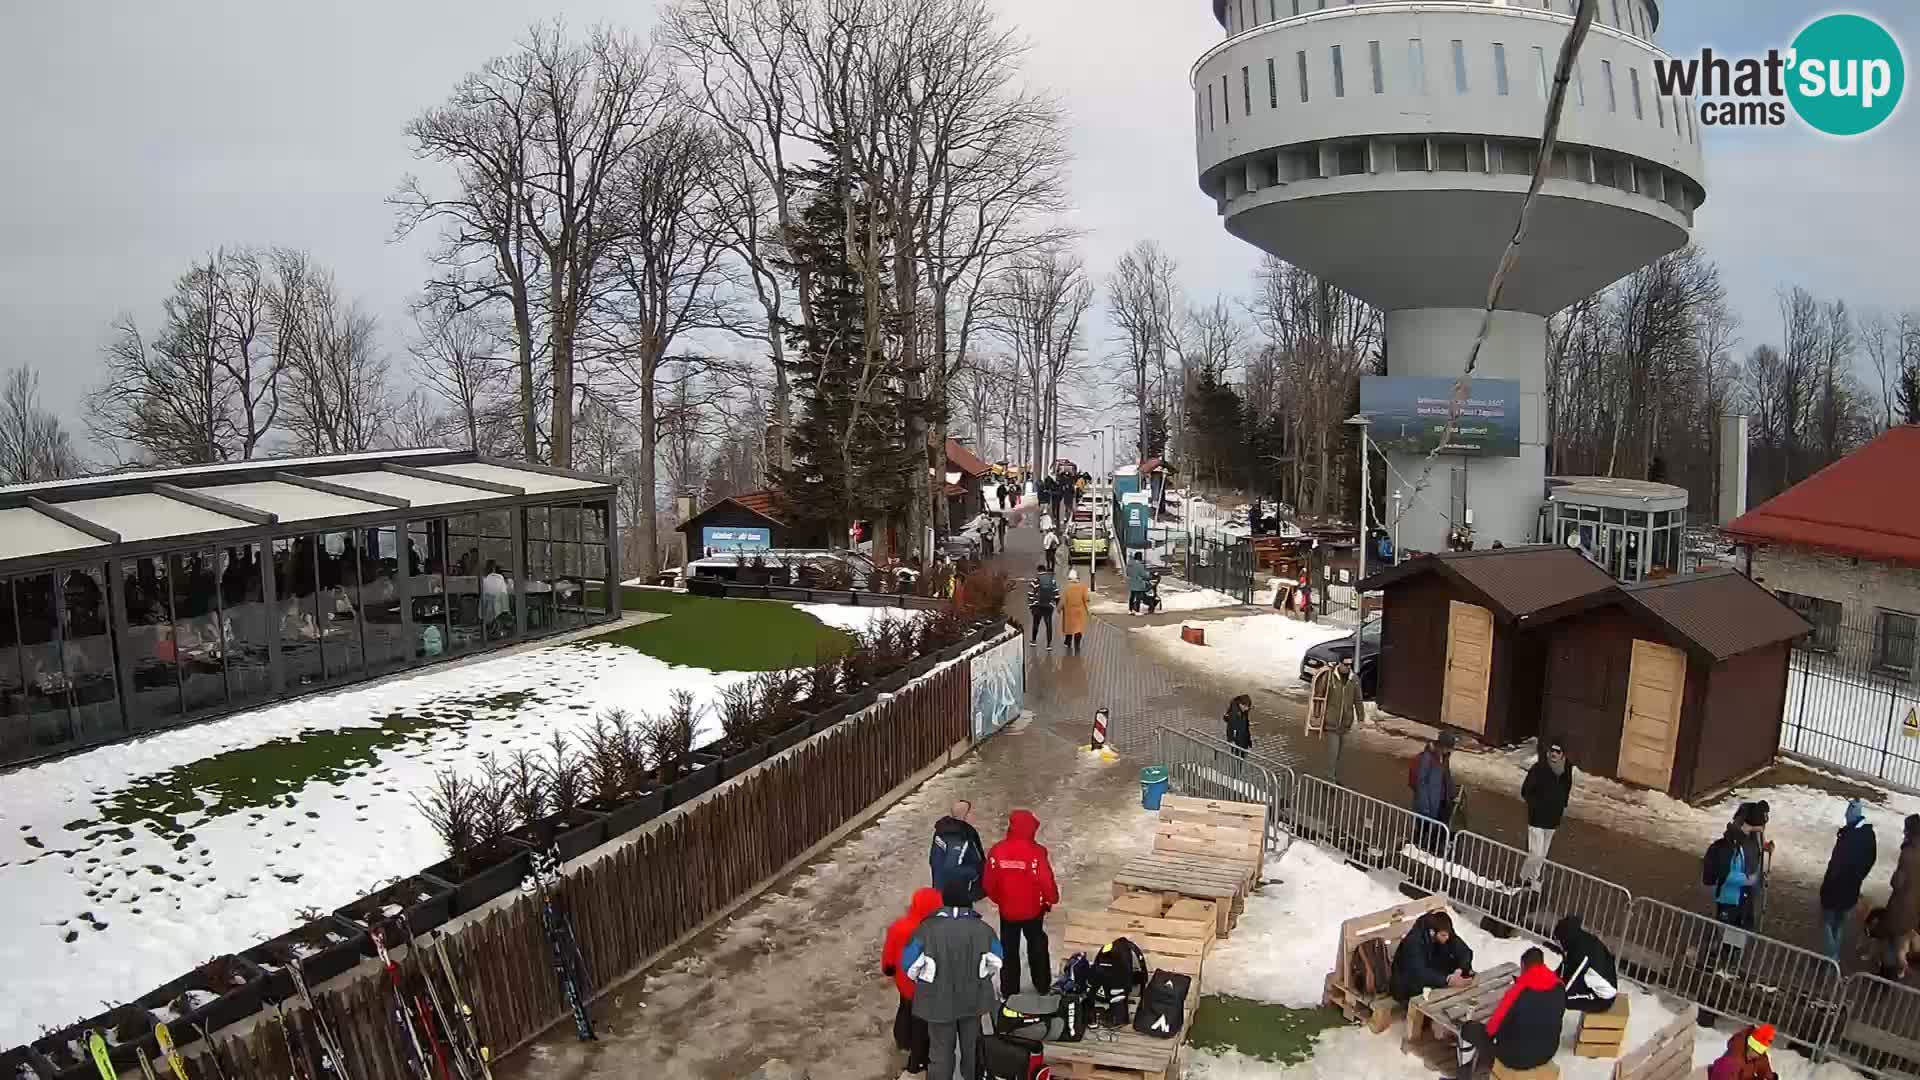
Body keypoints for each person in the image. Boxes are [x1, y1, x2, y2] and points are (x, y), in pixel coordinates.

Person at [902, 878, 1005, 1080]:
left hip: (937, 1003)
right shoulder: (983, 930)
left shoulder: (926, 930)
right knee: (971, 1048)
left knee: (940, 1054)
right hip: (973, 1001)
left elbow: (909, 966)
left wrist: (928, 980)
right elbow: (997, 961)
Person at [983, 810, 1060, 998]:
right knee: (1037, 944)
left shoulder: (997, 851)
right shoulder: (1037, 852)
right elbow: (1046, 880)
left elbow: (988, 883)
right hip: (1033, 910)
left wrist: (1000, 899)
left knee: (1008, 948)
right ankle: (1042, 984)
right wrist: (1052, 898)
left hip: (1008, 910)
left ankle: (1010, 989)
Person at [1455, 946, 1563, 1080]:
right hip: (1548, 1052)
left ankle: (1463, 1074)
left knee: (1468, 1029)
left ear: (1523, 966)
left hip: (1515, 1059)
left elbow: (1491, 1030)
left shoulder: (1519, 991)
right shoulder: (1559, 986)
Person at [881, 887, 943, 1074]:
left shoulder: (899, 927)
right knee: (921, 1025)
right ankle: (918, 1061)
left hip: (905, 984)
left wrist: (890, 970)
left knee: (905, 1009)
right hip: (926, 990)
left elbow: (889, 961)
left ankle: (902, 1040)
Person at [1818, 798, 1876, 965]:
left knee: (1827, 923)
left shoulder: (1849, 835)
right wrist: (1858, 877)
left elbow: (1836, 863)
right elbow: (1870, 860)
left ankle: (1831, 956)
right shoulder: (1868, 835)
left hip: (1836, 888)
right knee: (1839, 924)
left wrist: (1828, 883)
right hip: (1851, 889)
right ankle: (1832, 956)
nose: (1846, 815)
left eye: (1848, 812)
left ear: (1852, 813)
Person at [1520, 740, 1574, 888]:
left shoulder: (1566, 771)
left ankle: (1532, 881)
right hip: (1537, 819)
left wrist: (1562, 806)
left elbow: (1566, 791)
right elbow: (1525, 791)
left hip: (1552, 820)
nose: (1554, 755)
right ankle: (1526, 879)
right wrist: (1535, 806)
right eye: (1552, 751)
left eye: (1558, 752)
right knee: (1535, 853)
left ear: (1563, 755)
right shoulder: (1538, 769)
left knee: (1542, 855)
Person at [1389, 910, 1474, 1004]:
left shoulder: (1444, 930)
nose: (1447, 938)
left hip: (1432, 972)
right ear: (1432, 932)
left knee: (1466, 974)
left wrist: (1460, 970)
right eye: (1443, 935)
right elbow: (1419, 972)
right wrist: (1447, 980)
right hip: (1406, 983)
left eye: (1448, 935)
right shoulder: (1414, 941)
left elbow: (1465, 952)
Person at [1875, 814, 1920, 978]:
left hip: (1900, 906)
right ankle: (1898, 971)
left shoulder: (1908, 853)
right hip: (1914, 909)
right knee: (1901, 944)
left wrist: (1895, 877)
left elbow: (1897, 882)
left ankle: (1886, 975)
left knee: (1888, 939)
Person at [1551, 914, 1619, 1013]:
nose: (1556, 943)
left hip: (1603, 998)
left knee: (1561, 1000)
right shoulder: (1581, 939)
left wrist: (1549, 992)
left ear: (1564, 939)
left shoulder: (1581, 954)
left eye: (1557, 940)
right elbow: (1567, 967)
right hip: (1595, 979)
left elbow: (1569, 982)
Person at [1411, 733, 1459, 855]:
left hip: (1439, 801)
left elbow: (1446, 777)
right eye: (1449, 747)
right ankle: (1415, 851)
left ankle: (1432, 852)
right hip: (1428, 803)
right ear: (1442, 746)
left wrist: (1452, 793)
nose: (1451, 750)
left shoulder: (1444, 758)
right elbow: (1421, 782)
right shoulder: (1428, 757)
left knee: (1438, 829)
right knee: (1422, 829)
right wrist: (1425, 806)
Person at [1319, 655, 1364, 784]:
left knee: (1339, 754)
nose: (1348, 667)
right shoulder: (1330, 677)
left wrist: (1361, 718)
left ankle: (1332, 776)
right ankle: (1329, 781)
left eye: (1350, 664)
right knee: (1332, 753)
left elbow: (1358, 700)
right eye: (1346, 664)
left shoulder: (1354, 679)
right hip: (1332, 722)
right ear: (1339, 664)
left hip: (1345, 723)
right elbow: (1320, 692)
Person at [929, 800, 986, 902]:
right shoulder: (960, 838)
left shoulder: (942, 831)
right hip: (956, 893)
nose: (973, 814)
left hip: (940, 888)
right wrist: (975, 873)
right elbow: (952, 867)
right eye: (970, 812)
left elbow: (935, 860)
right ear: (965, 815)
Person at [1707, 1023, 1778, 1080]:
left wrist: (1772, 1077)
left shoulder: (1759, 1055)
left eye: (1759, 1053)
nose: (1756, 1056)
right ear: (1749, 1046)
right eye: (1753, 1050)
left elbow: (1764, 1067)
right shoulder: (1733, 1059)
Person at [1027, 563, 1059, 650]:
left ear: (1038, 571)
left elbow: (1030, 594)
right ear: (1045, 571)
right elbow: (1056, 594)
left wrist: (1031, 606)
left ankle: (1033, 641)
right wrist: (1055, 604)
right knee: (1048, 625)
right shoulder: (1052, 580)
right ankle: (1049, 645)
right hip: (1048, 606)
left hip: (1038, 606)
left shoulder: (1035, 580)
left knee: (1036, 623)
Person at [1060, 569, 1091, 655]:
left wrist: (1059, 609)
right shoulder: (1083, 587)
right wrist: (1088, 610)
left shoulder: (1067, 588)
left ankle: (1068, 644)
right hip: (1080, 612)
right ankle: (1077, 646)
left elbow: (1063, 601)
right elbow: (1086, 599)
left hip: (1069, 612)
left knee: (1069, 629)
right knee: (1078, 630)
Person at [1223, 694, 1253, 759]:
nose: (1247, 709)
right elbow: (1230, 728)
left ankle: (1239, 767)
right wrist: (1231, 741)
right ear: (1241, 704)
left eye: (1248, 707)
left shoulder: (1244, 711)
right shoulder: (1234, 714)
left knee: (1241, 759)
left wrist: (1248, 740)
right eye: (1246, 707)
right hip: (1237, 742)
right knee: (1236, 760)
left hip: (1243, 741)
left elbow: (1245, 725)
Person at [1126, 551, 1152, 615]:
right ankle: (1137, 611)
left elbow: (1127, 573)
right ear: (1140, 557)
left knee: (1132, 597)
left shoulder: (1129, 565)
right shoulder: (1140, 565)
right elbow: (1144, 575)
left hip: (1131, 582)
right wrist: (1149, 575)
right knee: (1138, 597)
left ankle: (1130, 610)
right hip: (1138, 583)